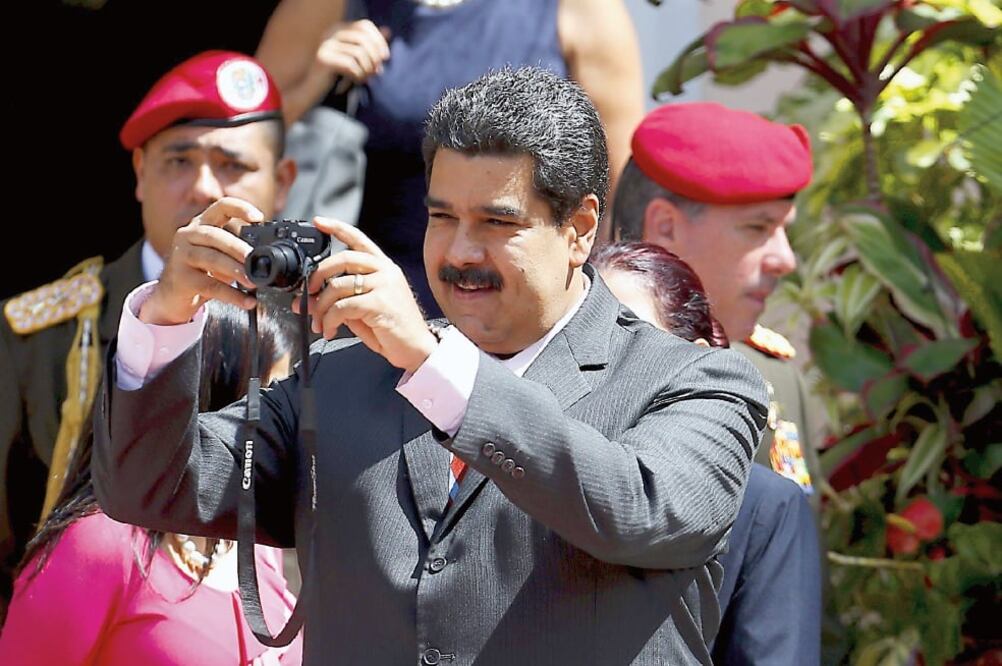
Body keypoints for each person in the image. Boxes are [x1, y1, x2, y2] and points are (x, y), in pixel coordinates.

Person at [93, 67, 767, 665]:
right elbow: (148, 488)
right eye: (441, 216)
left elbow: (639, 509)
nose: (459, 252)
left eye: (497, 223)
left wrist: (427, 360)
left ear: (581, 229)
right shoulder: (343, 376)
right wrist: (169, 315)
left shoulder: (696, 382)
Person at [0, 50, 296, 608]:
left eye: (233, 165)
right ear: (139, 174)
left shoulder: (321, 333)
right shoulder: (38, 336)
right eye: (178, 161)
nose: (204, 188)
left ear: (282, 183)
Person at [255, 0, 645, 315]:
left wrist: (601, 315)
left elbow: (618, 187)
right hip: (370, 299)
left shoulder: (579, 9)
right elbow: (239, 143)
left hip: (515, 305)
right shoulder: (331, 6)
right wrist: (314, 81)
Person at [0, 300, 302, 665]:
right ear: (212, 400)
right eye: (267, 411)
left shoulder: (256, 534)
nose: (283, 434)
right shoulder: (98, 543)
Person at [593, 241, 822, 665]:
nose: (594, 363)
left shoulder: (761, 506)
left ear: (694, 363)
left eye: (625, 339)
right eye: (574, 339)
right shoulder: (516, 474)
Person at [610, 102, 824, 506]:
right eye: (758, 228)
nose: (786, 259)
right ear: (666, 227)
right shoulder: (554, 364)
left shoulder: (775, 378)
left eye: (783, 229)